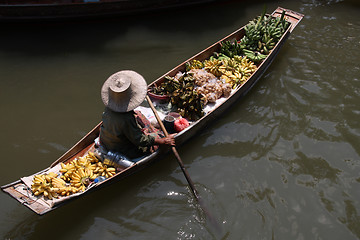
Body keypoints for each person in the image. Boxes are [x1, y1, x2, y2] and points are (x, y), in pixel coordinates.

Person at [99, 70, 175, 161]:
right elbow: (139, 140)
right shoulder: (126, 118)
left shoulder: (109, 107)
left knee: (138, 114)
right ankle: (160, 137)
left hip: (106, 141)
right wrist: (161, 141)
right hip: (124, 149)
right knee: (157, 137)